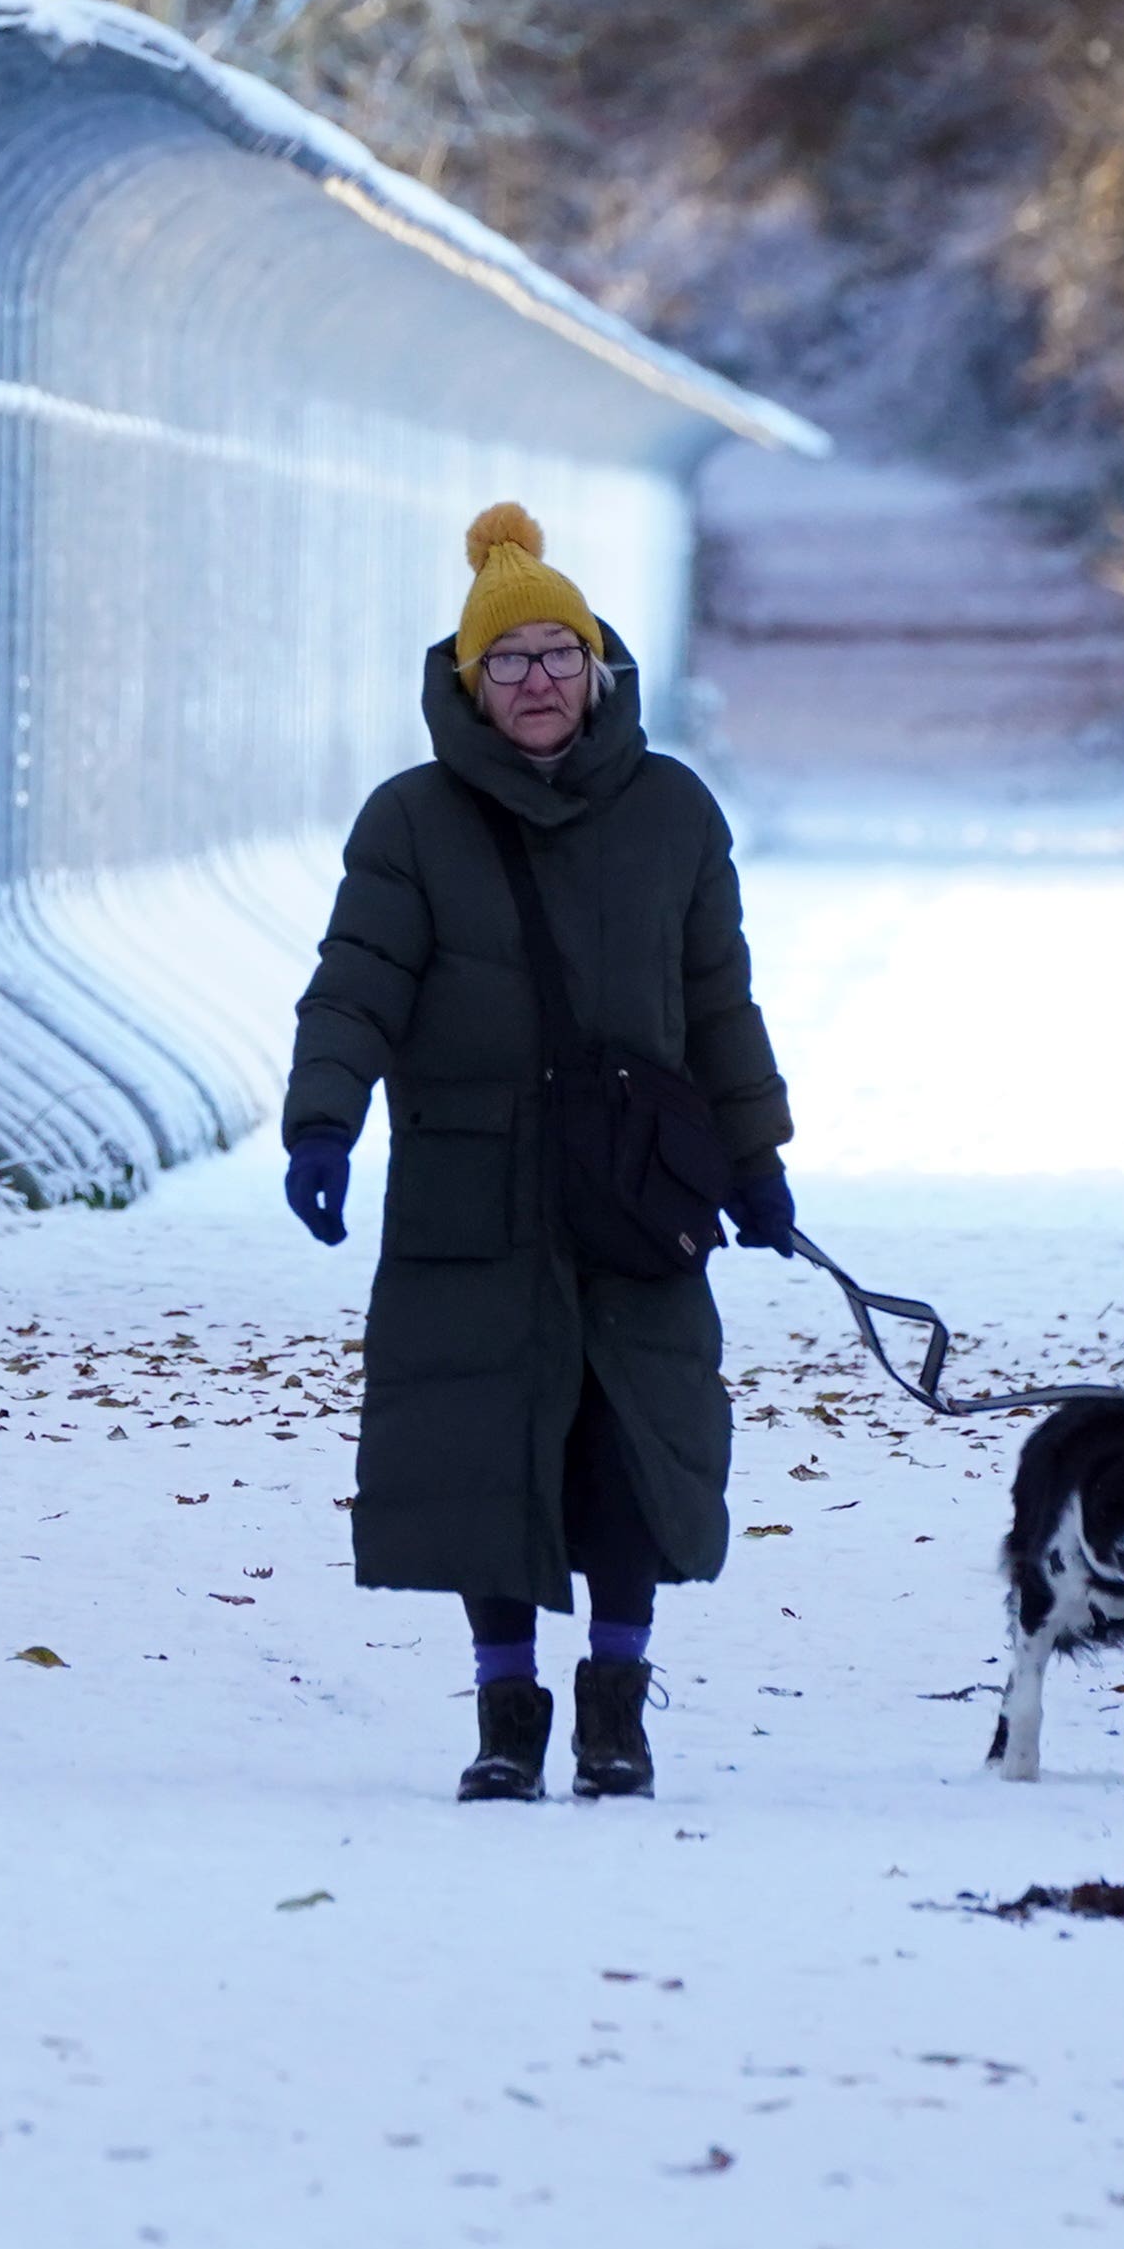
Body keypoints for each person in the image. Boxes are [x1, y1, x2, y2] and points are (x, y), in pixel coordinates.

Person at [277, 505, 797, 1802]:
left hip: (635, 1187)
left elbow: (718, 1000)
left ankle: (614, 1708)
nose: (537, 680)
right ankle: (505, 1715)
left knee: (630, 1441)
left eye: (559, 653)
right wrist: (323, 1123)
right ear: (467, 679)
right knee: (484, 1448)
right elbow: (355, 986)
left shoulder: (672, 811)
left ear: (599, 667)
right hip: (475, 1186)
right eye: (507, 660)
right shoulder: (411, 823)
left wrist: (756, 1154)